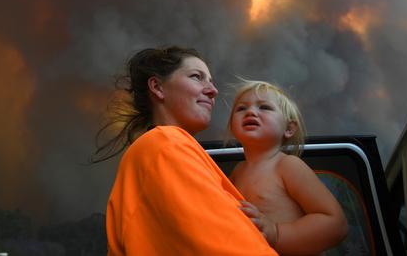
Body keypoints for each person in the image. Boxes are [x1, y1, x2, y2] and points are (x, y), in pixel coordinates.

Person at [95, 47, 277, 255]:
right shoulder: (165, 144)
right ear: (158, 87)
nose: (213, 90)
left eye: (211, 80)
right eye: (197, 77)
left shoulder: (163, 147)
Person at [228, 79, 348, 255]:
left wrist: (277, 233)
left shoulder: (288, 165)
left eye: (264, 107)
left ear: (289, 128)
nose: (250, 112)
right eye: (241, 108)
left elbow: (335, 223)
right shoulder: (237, 172)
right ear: (232, 127)